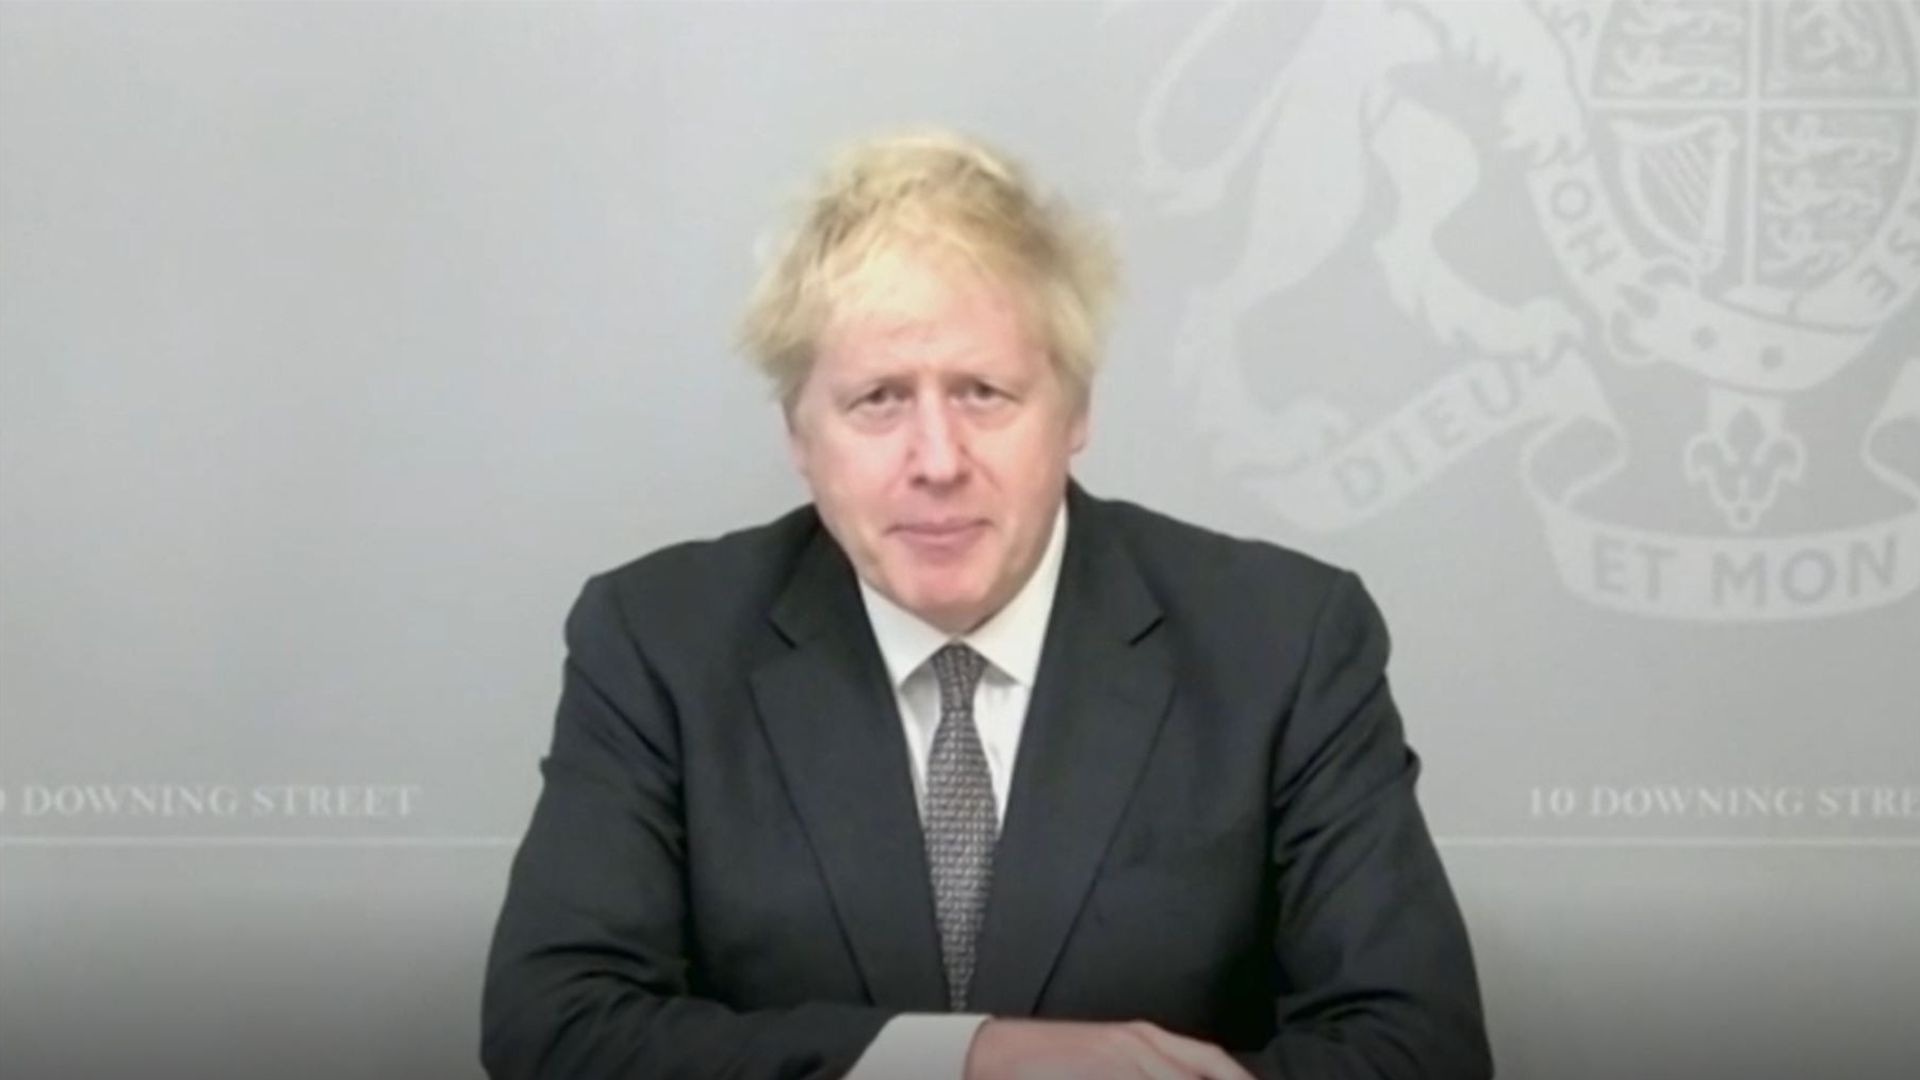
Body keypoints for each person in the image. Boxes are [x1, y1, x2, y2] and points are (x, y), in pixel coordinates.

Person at [481, 129, 1490, 1080]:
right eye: (878, 398)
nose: (936, 461)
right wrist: (970, 1059)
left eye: (983, 394)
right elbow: (556, 1025)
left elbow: (1416, 1045)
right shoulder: (658, 640)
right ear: (799, 432)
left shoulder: (1286, 639)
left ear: (1076, 411)